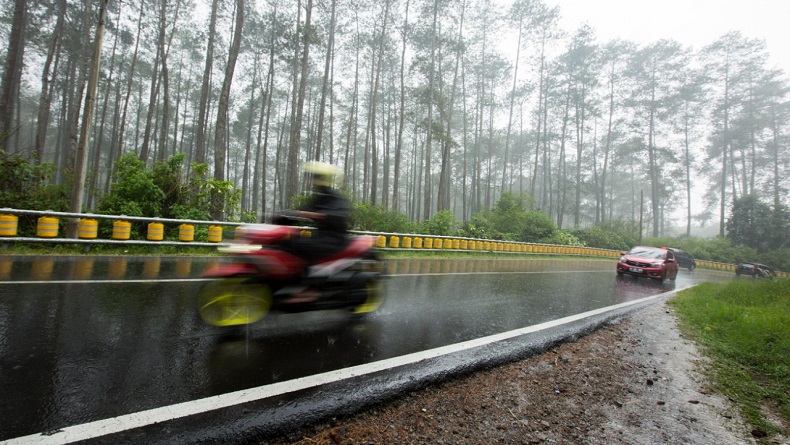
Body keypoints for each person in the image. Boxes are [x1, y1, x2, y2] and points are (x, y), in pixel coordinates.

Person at [270, 161, 351, 302]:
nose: (313, 180)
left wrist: (313, 215)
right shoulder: (319, 198)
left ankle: (311, 289)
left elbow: (337, 216)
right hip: (322, 237)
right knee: (286, 244)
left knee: (302, 247)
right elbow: (303, 213)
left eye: (316, 176)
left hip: (335, 239)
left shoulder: (335, 198)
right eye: (313, 176)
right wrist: (283, 217)